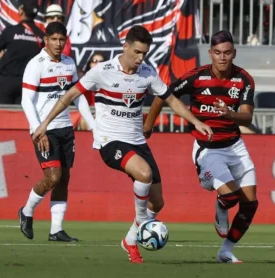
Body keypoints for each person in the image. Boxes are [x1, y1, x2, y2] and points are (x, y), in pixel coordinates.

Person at [31, 25, 213, 263]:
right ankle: (142, 227)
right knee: (144, 174)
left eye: (144, 54)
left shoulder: (147, 72)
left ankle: (129, 240)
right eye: (137, 52)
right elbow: (68, 97)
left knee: (157, 202)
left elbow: (171, 100)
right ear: (125, 47)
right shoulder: (102, 71)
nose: (140, 58)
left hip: (137, 142)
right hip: (110, 141)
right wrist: (44, 124)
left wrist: (195, 122)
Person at [144, 30, 259, 264]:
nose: (222, 57)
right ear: (210, 54)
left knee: (250, 203)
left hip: (235, 146)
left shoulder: (244, 79)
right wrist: (148, 125)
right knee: (230, 196)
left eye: (227, 52)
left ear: (234, 53)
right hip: (208, 148)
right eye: (217, 53)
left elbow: (247, 118)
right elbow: (163, 95)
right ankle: (221, 206)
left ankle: (225, 251)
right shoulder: (196, 78)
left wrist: (230, 113)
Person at [19, 22, 96, 242]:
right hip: (45, 129)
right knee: (53, 177)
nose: (58, 43)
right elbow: (27, 100)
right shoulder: (36, 64)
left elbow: (78, 96)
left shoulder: (69, 63)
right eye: (54, 39)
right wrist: (38, 130)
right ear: (45, 40)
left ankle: (56, 230)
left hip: (65, 128)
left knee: (64, 179)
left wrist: (92, 125)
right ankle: (26, 211)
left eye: (62, 39)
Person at [0, 0, 44, 104]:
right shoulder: (41, 36)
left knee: (1, 116)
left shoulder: (10, 31)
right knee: (21, 117)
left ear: (21, 11)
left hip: (6, 82)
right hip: (28, 84)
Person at [77, 53, 106, 131]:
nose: (97, 64)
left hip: (103, 115)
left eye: (101, 62)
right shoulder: (82, 79)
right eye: (94, 61)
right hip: (83, 115)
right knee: (84, 121)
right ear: (89, 63)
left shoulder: (110, 82)